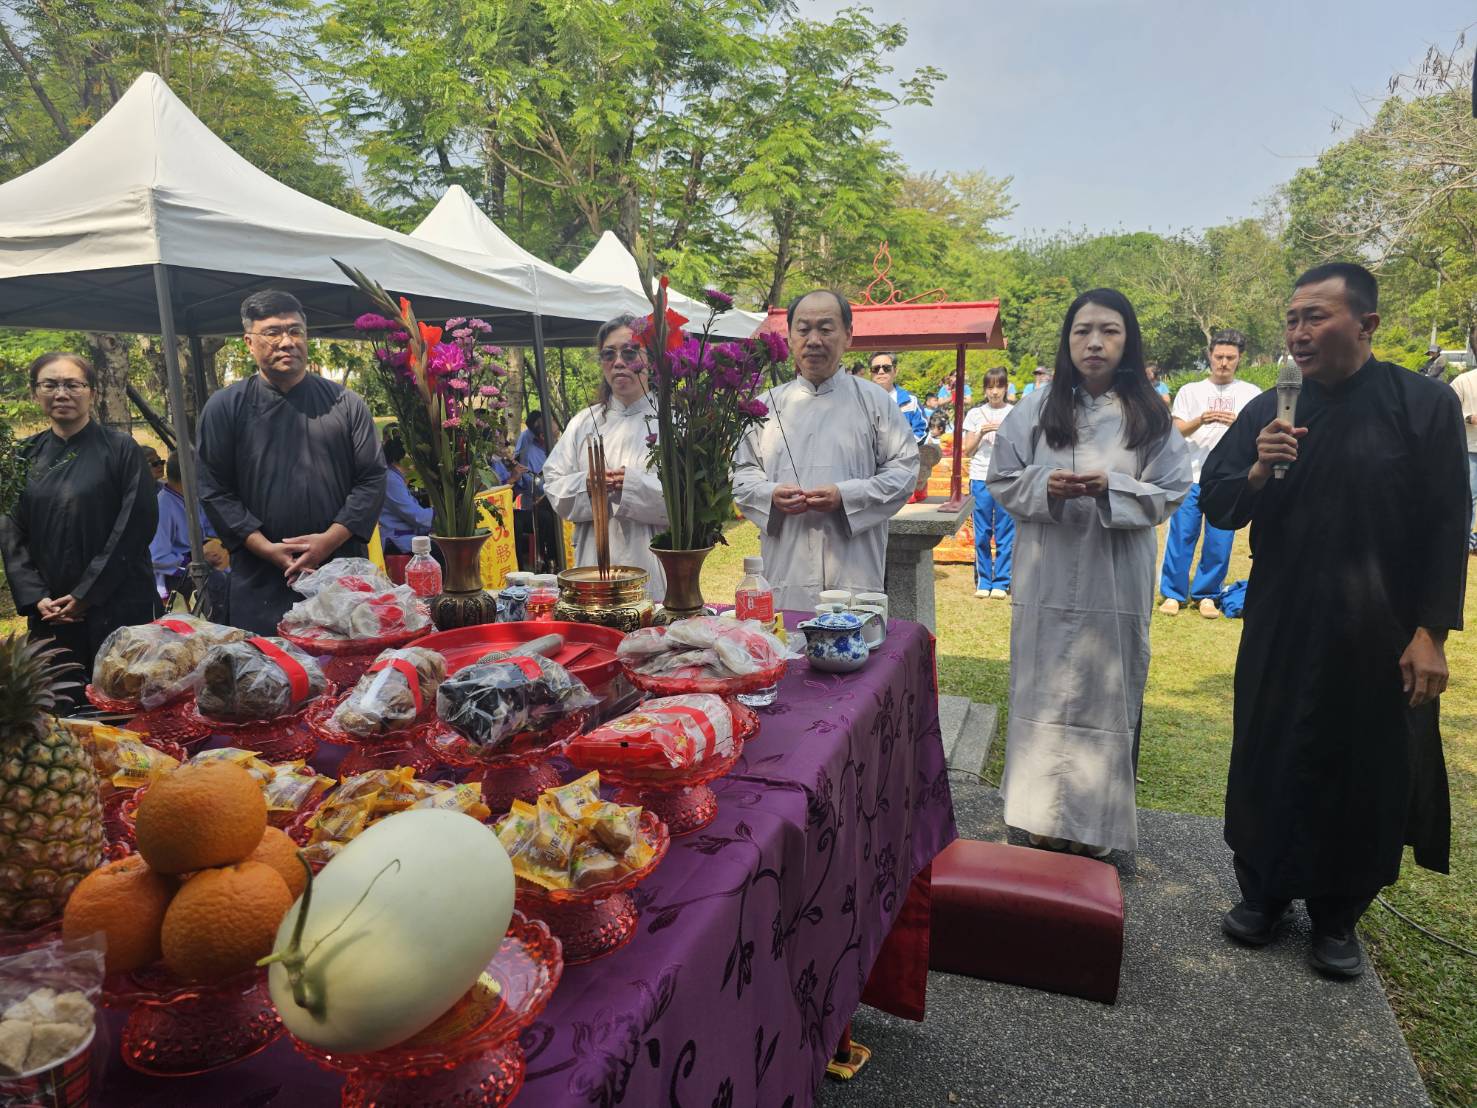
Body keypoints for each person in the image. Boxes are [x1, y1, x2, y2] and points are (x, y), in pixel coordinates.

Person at [1200, 262, 1467, 977]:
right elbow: (1217, 503)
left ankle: (1336, 916)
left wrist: (1430, 633)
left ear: (1366, 325)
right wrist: (1257, 469)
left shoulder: (1422, 406)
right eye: (1291, 319)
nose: (1297, 332)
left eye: (1314, 317)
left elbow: (1448, 522)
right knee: (1269, 746)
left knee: (1366, 765)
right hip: (1282, 619)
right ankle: (1260, 894)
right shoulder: (1269, 408)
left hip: (1378, 628)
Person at [987, 289, 1191, 858]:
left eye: (1108, 331)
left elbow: (1174, 490)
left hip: (1114, 573)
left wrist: (1113, 487)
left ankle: (1096, 829)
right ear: (1067, 340)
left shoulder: (1148, 414)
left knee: (1106, 692)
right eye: (1082, 332)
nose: (1094, 343)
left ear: (1128, 340)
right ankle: (1038, 817)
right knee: (1041, 690)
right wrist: (1042, 484)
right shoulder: (1037, 407)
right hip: (1046, 569)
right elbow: (1003, 479)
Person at [196, 290, 387, 635]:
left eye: (295, 331)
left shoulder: (345, 404)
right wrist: (266, 548)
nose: (286, 342)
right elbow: (215, 490)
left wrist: (328, 540)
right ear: (248, 342)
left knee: (348, 677)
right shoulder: (225, 408)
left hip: (339, 572)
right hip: (260, 576)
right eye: (272, 332)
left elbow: (371, 479)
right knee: (268, 678)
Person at [733, 290, 919, 611]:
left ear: (848, 335)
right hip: (785, 561)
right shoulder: (766, 407)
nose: (814, 340)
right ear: (790, 337)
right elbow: (741, 475)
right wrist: (771, 496)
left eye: (826, 328)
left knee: (854, 648)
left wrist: (847, 496)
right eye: (803, 330)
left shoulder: (874, 402)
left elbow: (903, 472)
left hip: (854, 563)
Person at [0, 353, 159, 700]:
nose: (61, 393)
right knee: (62, 711)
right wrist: (35, 596)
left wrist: (88, 593)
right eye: (50, 385)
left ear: (92, 393)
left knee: (128, 705)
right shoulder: (21, 456)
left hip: (119, 602)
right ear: (34, 394)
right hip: (52, 612)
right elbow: (10, 531)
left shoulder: (121, 449)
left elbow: (136, 524)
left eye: (73, 384)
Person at [543, 315, 669, 599]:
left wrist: (632, 485)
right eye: (609, 354)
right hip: (593, 562)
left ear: (651, 359)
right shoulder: (582, 423)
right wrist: (588, 485)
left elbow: (691, 500)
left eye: (629, 352)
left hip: (656, 562)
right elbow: (553, 484)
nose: (619, 362)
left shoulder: (672, 422)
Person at [1157, 329, 1263, 619]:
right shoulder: (1192, 391)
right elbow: (1175, 431)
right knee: (1182, 535)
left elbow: (1260, 433)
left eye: (1230, 357)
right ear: (1209, 356)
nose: (1224, 363)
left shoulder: (1250, 393)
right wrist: (1200, 420)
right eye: (1219, 357)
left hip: (1230, 479)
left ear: (1240, 359)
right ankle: (1173, 594)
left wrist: (1239, 424)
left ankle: (1207, 594)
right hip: (1191, 474)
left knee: (1220, 539)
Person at [150, 451, 230, 616]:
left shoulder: (190, 499)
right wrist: (196, 562)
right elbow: (157, 557)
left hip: (198, 562)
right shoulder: (163, 506)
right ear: (190, 476)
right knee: (221, 584)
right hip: (176, 577)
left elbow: (207, 527)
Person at [962, 368, 1015, 599]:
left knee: (1006, 531)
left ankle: (1002, 582)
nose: (994, 392)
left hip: (1006, 477)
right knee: (982, 532)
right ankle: (984, 580)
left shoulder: (1014, 413)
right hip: (980, 476)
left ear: (1006, 388)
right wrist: (981, 434)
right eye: (990, 387)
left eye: (999, 386)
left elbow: (1020, 449)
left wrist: (1003, 433)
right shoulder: (975, 414)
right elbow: (967, 450)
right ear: (984, 390)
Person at [514, 411, 559, 571]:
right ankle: (553, 561)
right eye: (552, 421)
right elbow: (533, 483)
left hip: (559, 499)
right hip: (539, 503)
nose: (556, 424)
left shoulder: (560, 446)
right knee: (550, 518)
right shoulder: (530, 454)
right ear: (542, 435)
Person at [378, 437, 434, 555]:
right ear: (403, 457)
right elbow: (416, 516)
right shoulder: (390, 479)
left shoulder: (395, 477)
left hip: (408, 537)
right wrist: (439, 513)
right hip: (398, 540)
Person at [868, 353, 928, 442]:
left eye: (886, 368)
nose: (881, 372)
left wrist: (904, 450)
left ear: (895, 371)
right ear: (870, 373)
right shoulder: (860, 401)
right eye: (875, 368)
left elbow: (921, 430)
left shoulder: (911, 401)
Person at [1450, 357, 1477, 552]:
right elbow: (1447, 408)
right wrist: (1469, 417)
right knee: (1470, 496)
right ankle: (1465, 539)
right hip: (1470, 447)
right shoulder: (1463, 380)